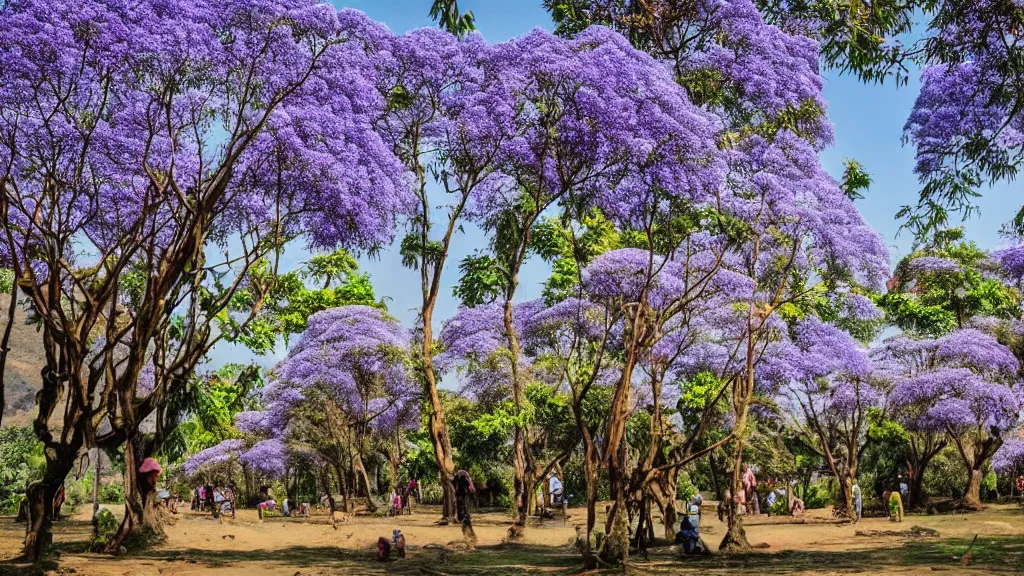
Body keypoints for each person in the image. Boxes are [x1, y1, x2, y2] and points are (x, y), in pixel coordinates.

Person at [453, 469, 476, 540]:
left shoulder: (461, 476)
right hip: (464, 501)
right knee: (465, 517)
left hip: (462, 503)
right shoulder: (465, 476)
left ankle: (468, 536)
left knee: (464, 517)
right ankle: (470, 536)